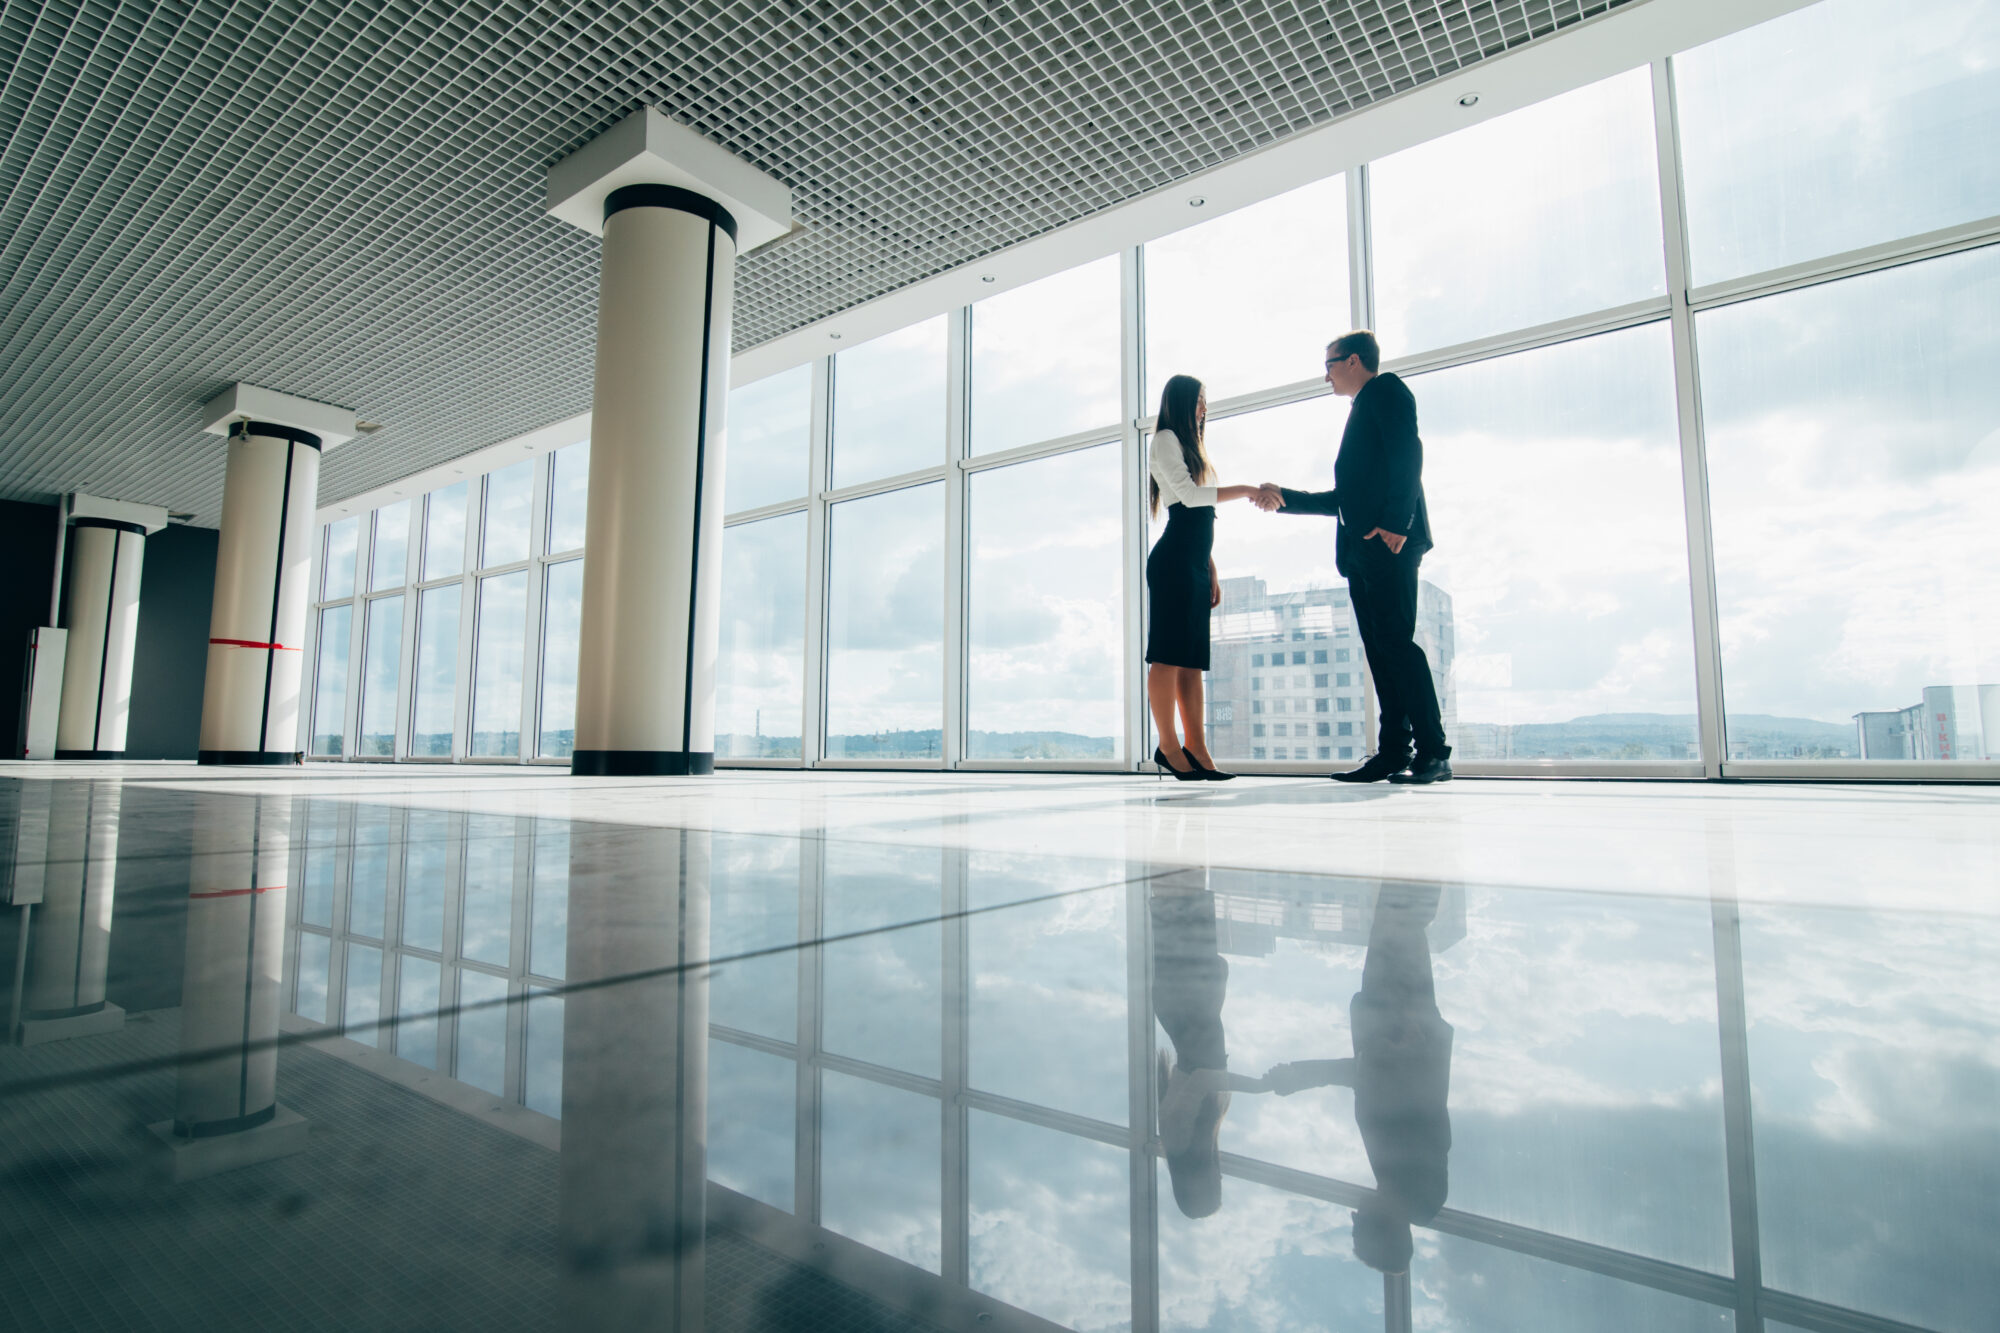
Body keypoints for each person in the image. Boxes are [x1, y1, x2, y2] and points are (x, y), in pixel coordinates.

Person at [1258, 331, 1451, 784]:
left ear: (1354, 361)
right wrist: (1284, 498)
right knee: (1382, 652)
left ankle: (1434, 752)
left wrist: (1398, 524)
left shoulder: (1386, 391)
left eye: (1329, 365)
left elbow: (1410, 453)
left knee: (1397, 647)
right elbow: (1346, 499)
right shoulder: (1362, 409)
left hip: (1389, 543)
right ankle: (1393, 753)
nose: (1325, 375)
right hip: (1365, 549)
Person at [1264, 882, 1453, 1274]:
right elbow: (1390, 1088)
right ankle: (1420, 839)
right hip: (1400, 1021)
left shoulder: (1396, 1179)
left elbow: (1367, 1081)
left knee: (1399, 917)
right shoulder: (1417, 1186)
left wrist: (1301, 1076)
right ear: (1382, 1226)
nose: (1353, 1214)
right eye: (1358, 1225)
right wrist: (1300, 1075)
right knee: (1401, 917)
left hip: (1392, 1022)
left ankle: (1419, 843)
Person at [1146, 373, 1277, 781]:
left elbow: (1203, 519)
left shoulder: (1194, 448)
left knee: (1191, 662)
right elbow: (1188, 498)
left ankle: (1197, 748)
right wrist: (1246, 489)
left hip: (1194, 563)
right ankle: (1168, 747)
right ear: (1183, 402)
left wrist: (1211, 567)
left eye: (1206, 402)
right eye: (1200, 401)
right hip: (1172, 563)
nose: (1205, 409)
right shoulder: (1165, 439)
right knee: (1168, 656)